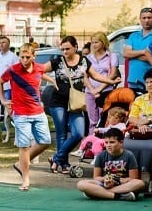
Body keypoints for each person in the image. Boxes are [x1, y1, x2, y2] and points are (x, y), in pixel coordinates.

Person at [47, 36, 122, 174]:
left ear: (75, 47)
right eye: (62, 49)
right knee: (61, 133)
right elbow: (39, 70)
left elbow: (95, 76)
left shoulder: (83, 61)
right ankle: (63, 164)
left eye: (68, 49)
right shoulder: (57, 61)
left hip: (76, 102)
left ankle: (56, 159)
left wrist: (111, 82)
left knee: (78, 133)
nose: (65, 51)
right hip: (58, 102)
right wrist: (51, 81)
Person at [0, 44, 51, 191]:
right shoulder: (13, 70)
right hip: (20, 113)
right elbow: (0, 82)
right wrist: (3, 100)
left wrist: (53, 82)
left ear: (33, 56)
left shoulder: (39, 68)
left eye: (28, 57)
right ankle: (25, 178)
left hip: (38, 112)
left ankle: (20, 163)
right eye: (22, 57)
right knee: (24, 146)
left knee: (45, 141)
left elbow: (42, 75)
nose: (24, 60)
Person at [76, 128, 146, 201]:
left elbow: (133, 178)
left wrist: (119, 180)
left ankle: (100, 193)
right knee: (81, 184)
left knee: (140, 183)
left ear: (121, 142)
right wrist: (105, 179)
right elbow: (96, 177)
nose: (108, 145)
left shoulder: (129, 155)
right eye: (106, 142)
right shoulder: (101, 155)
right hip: (105, 184)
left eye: (112, 142)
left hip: (122, 185)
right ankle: (120, 196)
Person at [85, 32, 120, 134]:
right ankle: (91, 141)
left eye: (96, 42)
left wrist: (99, 89)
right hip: (90, 91)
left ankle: (104, 141)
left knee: (104, 118)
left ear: (103, 42)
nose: (94, 45)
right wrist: (92, 90)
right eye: (92, 42)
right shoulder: (88, 58)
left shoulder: (111, 56)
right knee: (92, 120)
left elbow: (112, 74)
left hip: (106, 91)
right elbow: (85, 76)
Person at [123, 7, 152, 94]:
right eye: (144, 18)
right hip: (133, 80)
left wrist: (133, 56)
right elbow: (126, 54)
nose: (146, 20)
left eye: (149, 17)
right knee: (134, 106)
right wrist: (144, 52)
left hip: (151, 81)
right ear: (140, 19)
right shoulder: (133, 36)